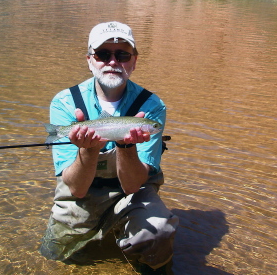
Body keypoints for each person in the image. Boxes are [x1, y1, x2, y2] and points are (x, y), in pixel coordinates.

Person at [39, 21, 178, 271]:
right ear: (90, 60)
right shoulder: (65, 103)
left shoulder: (152, 106)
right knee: (53, 257)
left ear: (134, 62)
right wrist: (88, 149)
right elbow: (76, 189)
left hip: (132, 194)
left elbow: (133, 185)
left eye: (122, 54)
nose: (113, 62)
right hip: (81, 192)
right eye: (103, 54)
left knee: (158, 232)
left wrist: (126, 147)